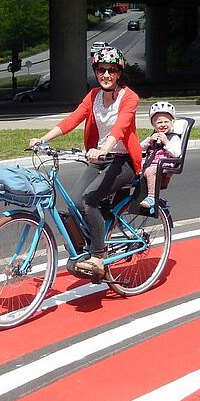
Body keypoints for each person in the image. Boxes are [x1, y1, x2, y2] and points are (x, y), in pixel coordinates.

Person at [29, 45, 142, 280]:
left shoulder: (129, 97)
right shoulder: (93, 96)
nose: (106, 75)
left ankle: (98, 257)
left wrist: (103, 149)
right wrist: (43, 139)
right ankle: (92, 242)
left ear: (119, 73)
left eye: (112, 70)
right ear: (96, 71)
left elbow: (121, 127)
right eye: (102, 70)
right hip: (100, 158)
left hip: (122, 160)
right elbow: (73, 118)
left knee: (90, 199)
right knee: (75, 203)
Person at [139, 101, 183, 209]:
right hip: (150, 162)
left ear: (172, 122)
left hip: (164, 164)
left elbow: (177, 153)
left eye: (166, 122)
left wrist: (166, 142)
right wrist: (149, 140)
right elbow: (140, 148)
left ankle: (151, 197)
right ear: (154, 125)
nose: (163, 125)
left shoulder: (173, 137)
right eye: (159, 122)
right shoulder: (153, 136)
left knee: (150, 171)